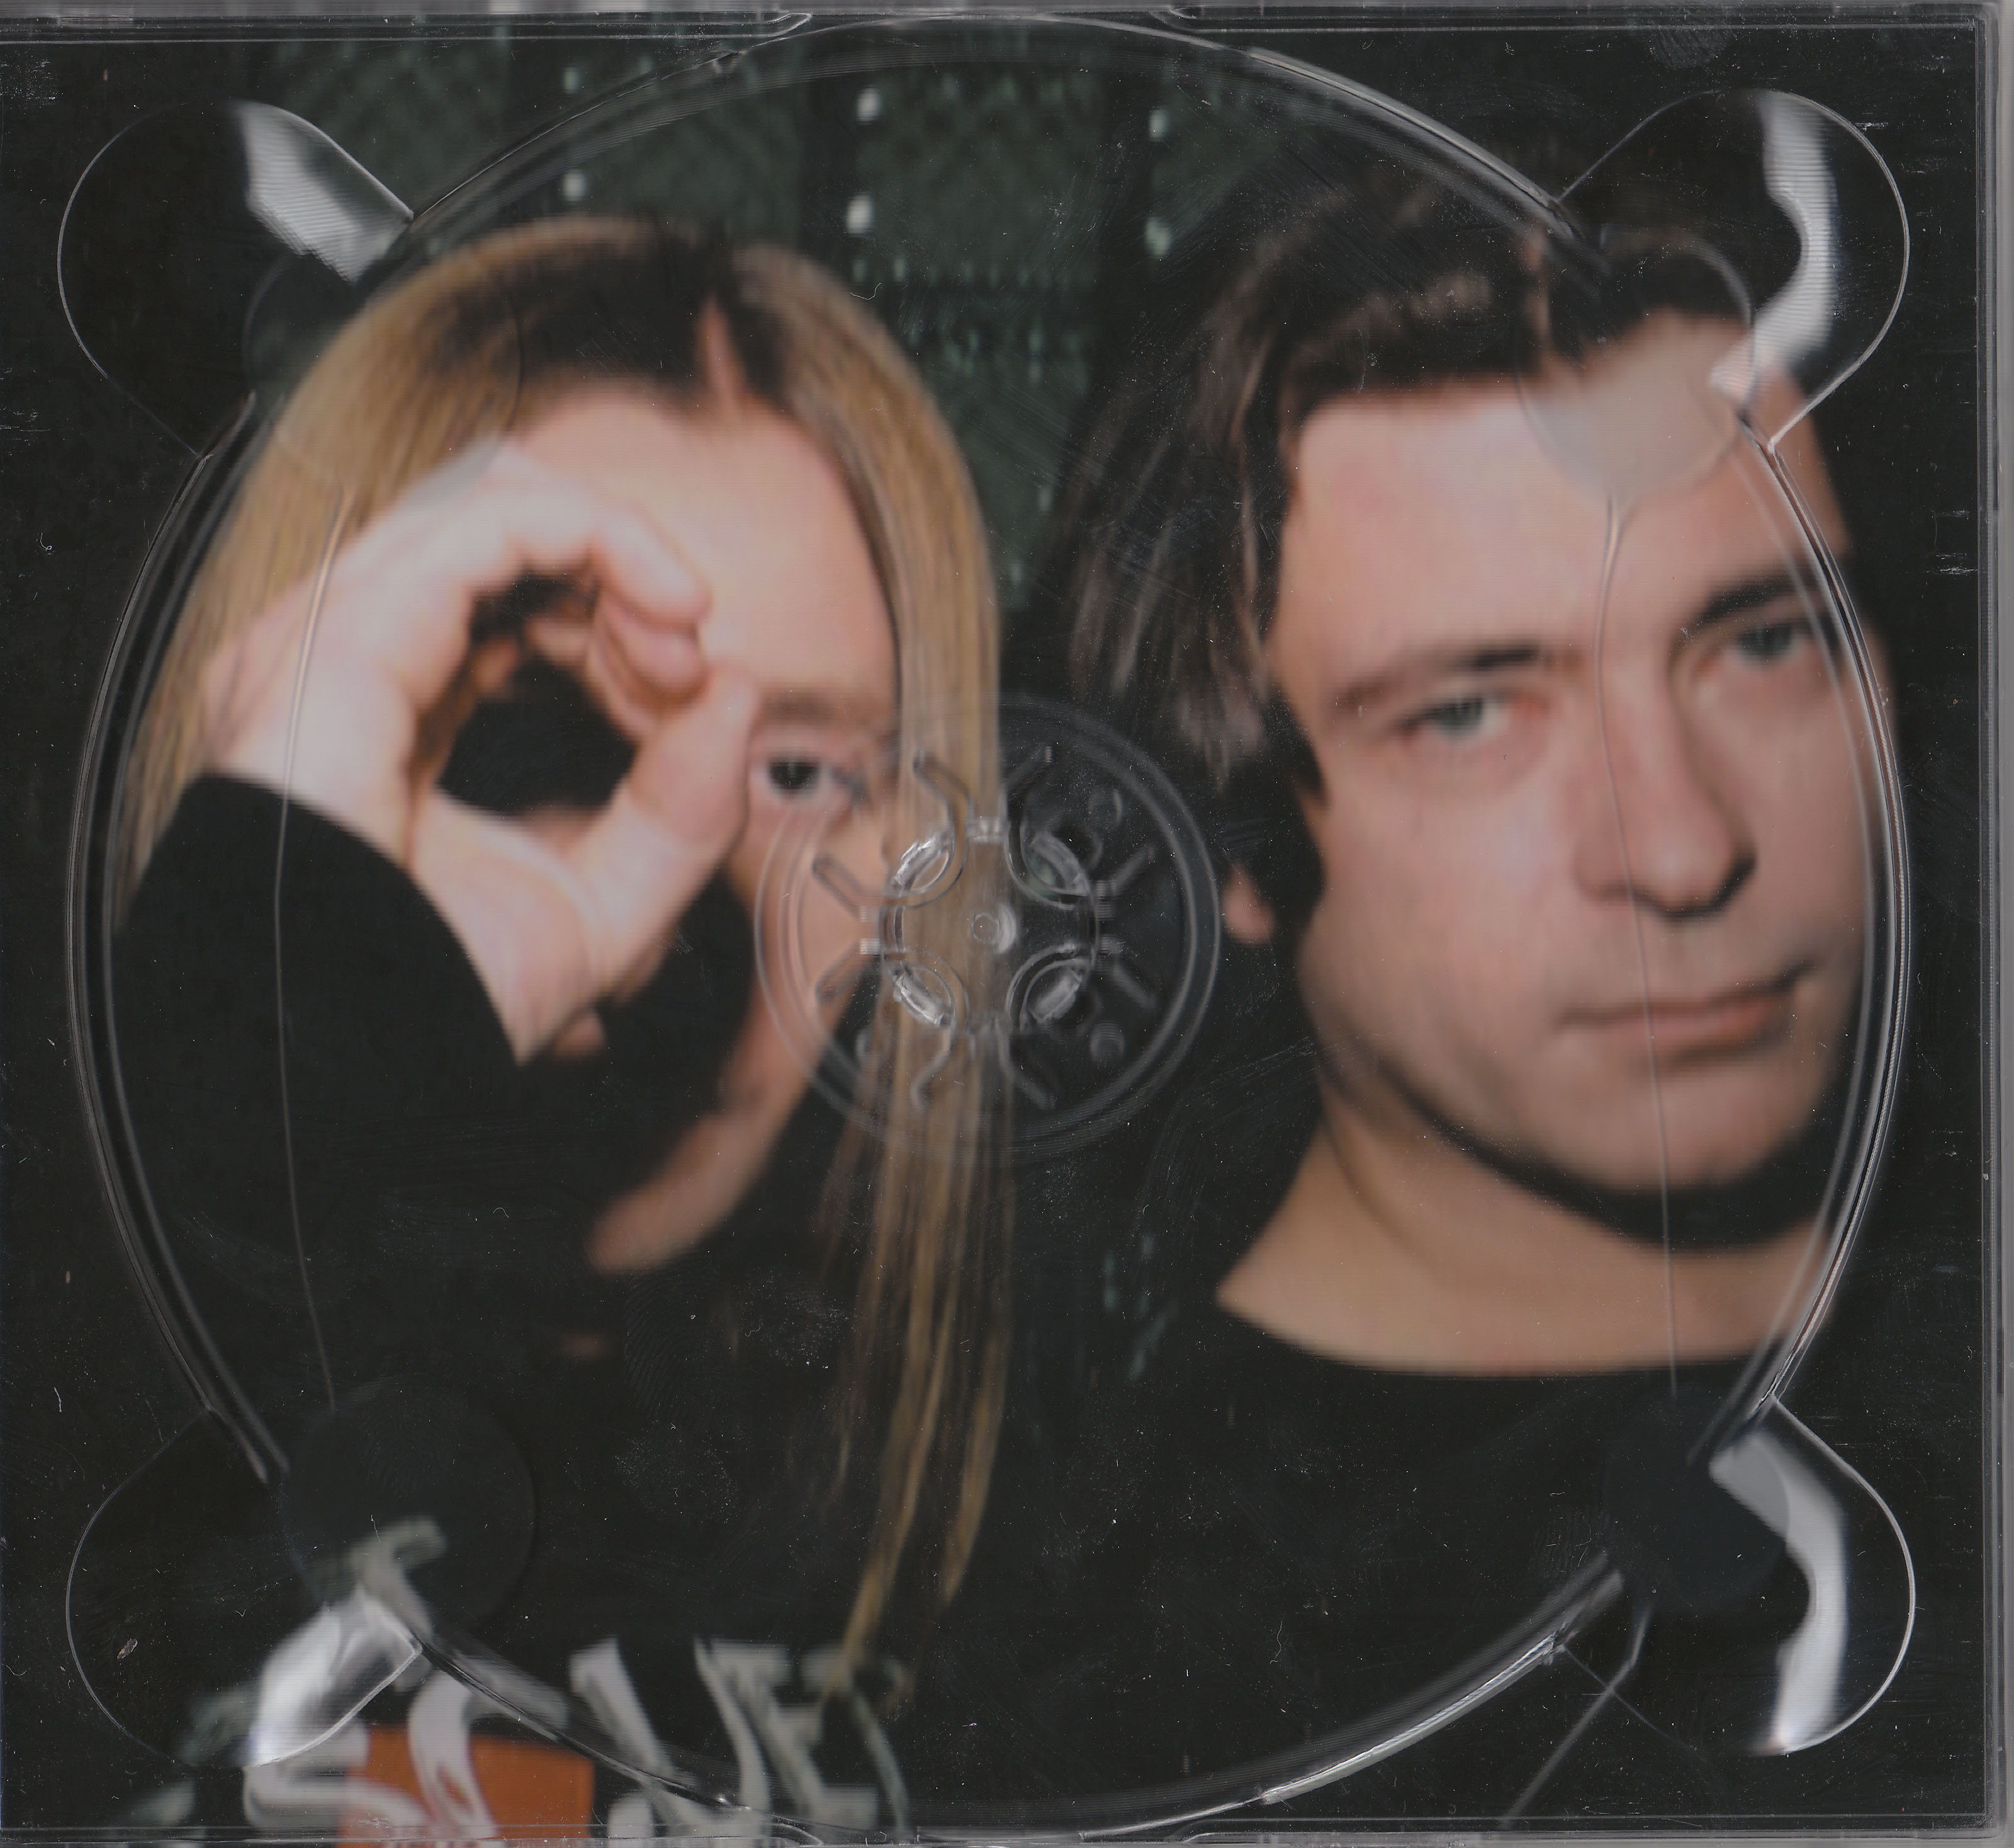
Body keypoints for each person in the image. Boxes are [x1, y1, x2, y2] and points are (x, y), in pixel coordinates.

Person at [896, 156, 1893, 1817]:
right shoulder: (1151, 1670)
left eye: (1762, 639)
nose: (1683, 847)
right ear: (1218, 835)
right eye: (1468, 713)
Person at [110, 216, 1007, 1832]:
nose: (673, 907)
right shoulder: (99, 1465)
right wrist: (233, 1060)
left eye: (805, 772)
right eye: (543, 734)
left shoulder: (1053, 1561)